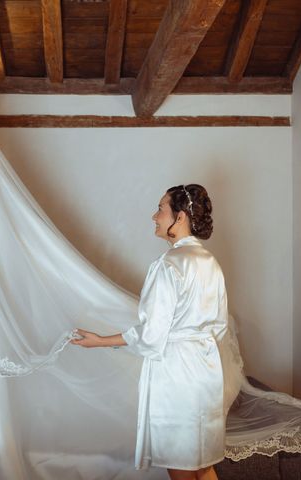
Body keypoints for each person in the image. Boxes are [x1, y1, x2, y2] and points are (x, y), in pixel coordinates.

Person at [72, 184, 240, 480]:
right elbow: (220, 326)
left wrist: (101, 341)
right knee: (203, 465)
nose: (154, 215)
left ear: (181, 216)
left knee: (181, 465)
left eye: (161, 208)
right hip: (207, 371)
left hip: (177, 376)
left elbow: (151, 335)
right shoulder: (210, 263)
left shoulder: (169, 265)